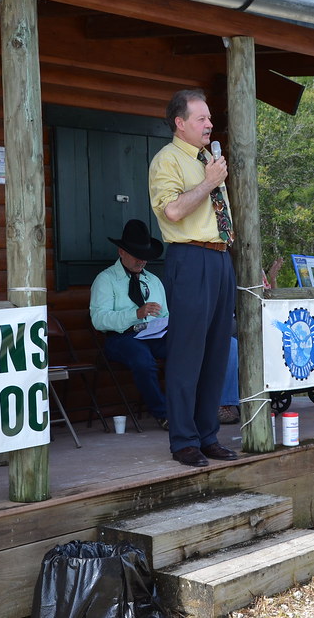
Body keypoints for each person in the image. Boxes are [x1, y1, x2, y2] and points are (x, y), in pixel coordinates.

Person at [148, 88, 238, 467]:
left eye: (210, 118)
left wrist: (211, 175)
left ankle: (207, 435)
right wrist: (209, 182)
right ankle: (183, 440)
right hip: (190, 258)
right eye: (201, 119)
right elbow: (172, 211)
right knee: (188, 353)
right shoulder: (167, 160)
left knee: (217, 352)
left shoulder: (207, 158)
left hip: (220, 258)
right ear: (180, 123)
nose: (209, 124)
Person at [90, 219, 171, 430]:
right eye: (137, 255)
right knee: (142, 360)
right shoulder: (106, 280)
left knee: (183, 349)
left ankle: (186, 408)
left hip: (153, 335)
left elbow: (166, 314)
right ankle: (164, 414)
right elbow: (99, 319)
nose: (142, 261)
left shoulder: (153, 280)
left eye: (145, 256)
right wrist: (135, 313)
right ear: (121, 252)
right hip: (121, 337)